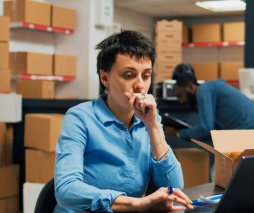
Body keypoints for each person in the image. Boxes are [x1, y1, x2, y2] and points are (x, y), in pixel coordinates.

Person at [54, 30, 193, 212]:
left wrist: (152, 126)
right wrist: (137, 204)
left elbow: (174, 186)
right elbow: (66, 190)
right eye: (129, 75)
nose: (140, 85)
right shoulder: (80, 118)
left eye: (146, 75)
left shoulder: (150, 119)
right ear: (105, 78)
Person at [170, 69, 254, 142]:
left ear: (191, 87)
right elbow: (212, 132)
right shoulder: (210, 89)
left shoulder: (203, 90)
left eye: (181, 95)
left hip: (250, 127)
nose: (181, 101)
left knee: (222, 168)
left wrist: (179, 133)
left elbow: (206, 128)